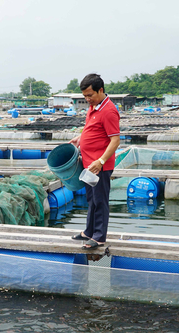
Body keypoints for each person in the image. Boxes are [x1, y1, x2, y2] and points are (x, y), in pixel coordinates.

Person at [69, 73, 121, 250]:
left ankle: (99, 237)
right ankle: (89, 231)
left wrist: (101, 161)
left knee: (100, 200)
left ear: (101, 90)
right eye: (84, 96)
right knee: (91, 199)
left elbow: (115, 140)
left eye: (90, 95)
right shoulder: (94, 106)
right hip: (89, 165)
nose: (87, 99)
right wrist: (80, 138)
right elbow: (92, 130)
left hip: (100, 166)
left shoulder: (109, 111)